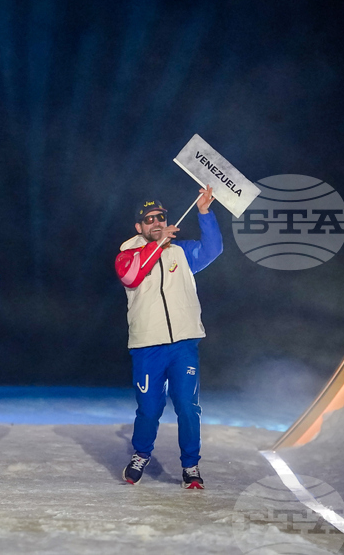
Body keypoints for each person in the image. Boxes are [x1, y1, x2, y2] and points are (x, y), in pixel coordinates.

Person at [114, 187, 222, 489]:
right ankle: (141, 454)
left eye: (160, 217)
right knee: (149, 408)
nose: (156, 223)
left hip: (183, 344)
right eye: (149, 220)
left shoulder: (181, 252)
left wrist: (204, 212)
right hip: (147, 346)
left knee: (188, 406)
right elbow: (132, 276)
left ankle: (191, 465)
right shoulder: (127, 254)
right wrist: (158, 245)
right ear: (139, 227)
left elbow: (212, 250)